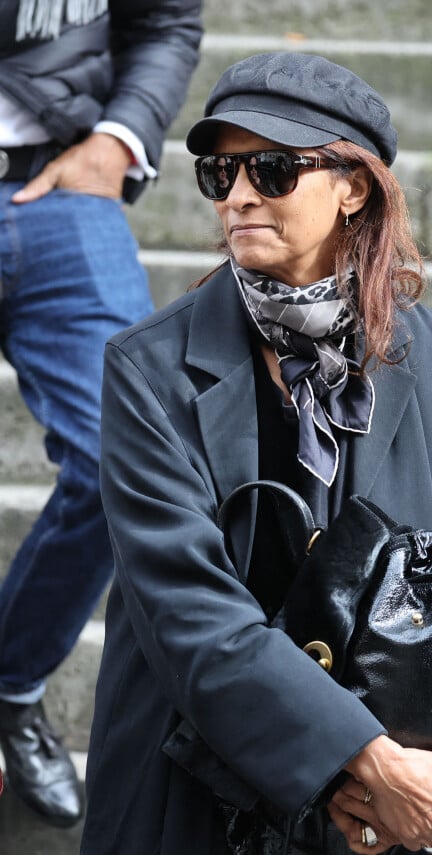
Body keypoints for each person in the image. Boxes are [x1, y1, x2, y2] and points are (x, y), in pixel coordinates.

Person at [80, 52, 432, 855]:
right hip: (188, 803)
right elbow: (192, 617)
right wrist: (361, 763)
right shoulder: (148, 369)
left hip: (394, 827)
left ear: (353, 186)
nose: (238, 195)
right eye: (219, 172)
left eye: (270, 168)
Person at [0, 0, 203, 829]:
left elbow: (166, 20)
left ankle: (12, 685)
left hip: (63, 186)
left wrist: (119, 138)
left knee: (130, 457)